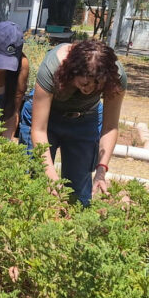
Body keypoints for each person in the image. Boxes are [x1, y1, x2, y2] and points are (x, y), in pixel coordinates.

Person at [18, 39, 127, 205]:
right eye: (84, 83)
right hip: (46, 118)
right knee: (35, 182)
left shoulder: (115, 76)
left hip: (84, 120)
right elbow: (39, 130)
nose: (89, 89)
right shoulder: (53, 66)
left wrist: (101, 170)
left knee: (78, 195)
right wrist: (50, 173)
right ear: (72, 71)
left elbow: (110, 127)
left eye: (98, 85)